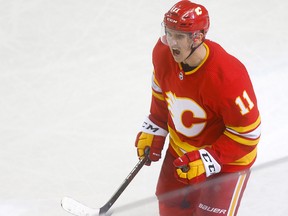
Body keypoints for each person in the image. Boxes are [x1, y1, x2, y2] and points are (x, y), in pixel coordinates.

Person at [135, 0, 261, 215]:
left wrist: (209, 158)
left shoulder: (228, 76)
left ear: (198, 37)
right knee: (170, 208)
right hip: (180, 153)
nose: (172, 42)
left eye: (179, 37)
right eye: (169, 33)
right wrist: (156, 124)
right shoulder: (162, 53)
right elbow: (161, 93)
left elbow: (248, 135)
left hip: (226, 166)